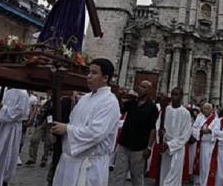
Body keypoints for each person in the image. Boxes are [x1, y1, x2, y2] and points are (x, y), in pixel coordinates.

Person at [51, 58, 120, 186]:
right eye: (88, 72)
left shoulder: (110, 102)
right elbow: (73, 122)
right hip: (70, 162)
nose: (88, 76)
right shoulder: (85, 98)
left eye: (94, 73)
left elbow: (96, 133)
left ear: (105, 78)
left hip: (89, 164)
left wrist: (67, 129)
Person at [110, 80, 159, 186]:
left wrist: (149, 147)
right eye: (140, 86)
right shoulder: (132, 103)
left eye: (144, 87)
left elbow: (152, 129)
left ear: (150, 90)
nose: (140, 88)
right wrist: (119, 96)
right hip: (124, 143)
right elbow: (120, 109)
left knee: (136, 176)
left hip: (139, 147)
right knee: (118, 173)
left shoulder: (152, 108)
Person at [157, 87, 192, 185]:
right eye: (172, 94)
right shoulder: (166, 110)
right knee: (164, 172)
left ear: (181, 96)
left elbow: (186, 134)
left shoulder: (185, 113)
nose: (173, 97)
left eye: (176, 95)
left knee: (173, 175)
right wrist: (161, 137)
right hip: (165, 147)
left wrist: (170, 144)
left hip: (177, 148)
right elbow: (158, 125)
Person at [26, 95, 53, 167]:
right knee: (34, 139)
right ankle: (32, 158)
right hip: (43, 122)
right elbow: (42, 111)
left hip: (51, 124)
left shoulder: (59, 102)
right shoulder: (48, 102)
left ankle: (44, 159)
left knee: (48, 143)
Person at [192, 103, 216, 186]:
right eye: (204, 108)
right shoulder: (199, 117)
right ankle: (199, 182)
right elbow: (194, 128)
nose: (206, 110)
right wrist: (200, 132)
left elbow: (215, 131)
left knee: (207, 164)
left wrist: (209, 131)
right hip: (200, 143)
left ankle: (206, 183)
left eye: (208, 108)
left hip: (209, 145)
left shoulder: (215, 119)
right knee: (200, 164)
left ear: (211, 110)